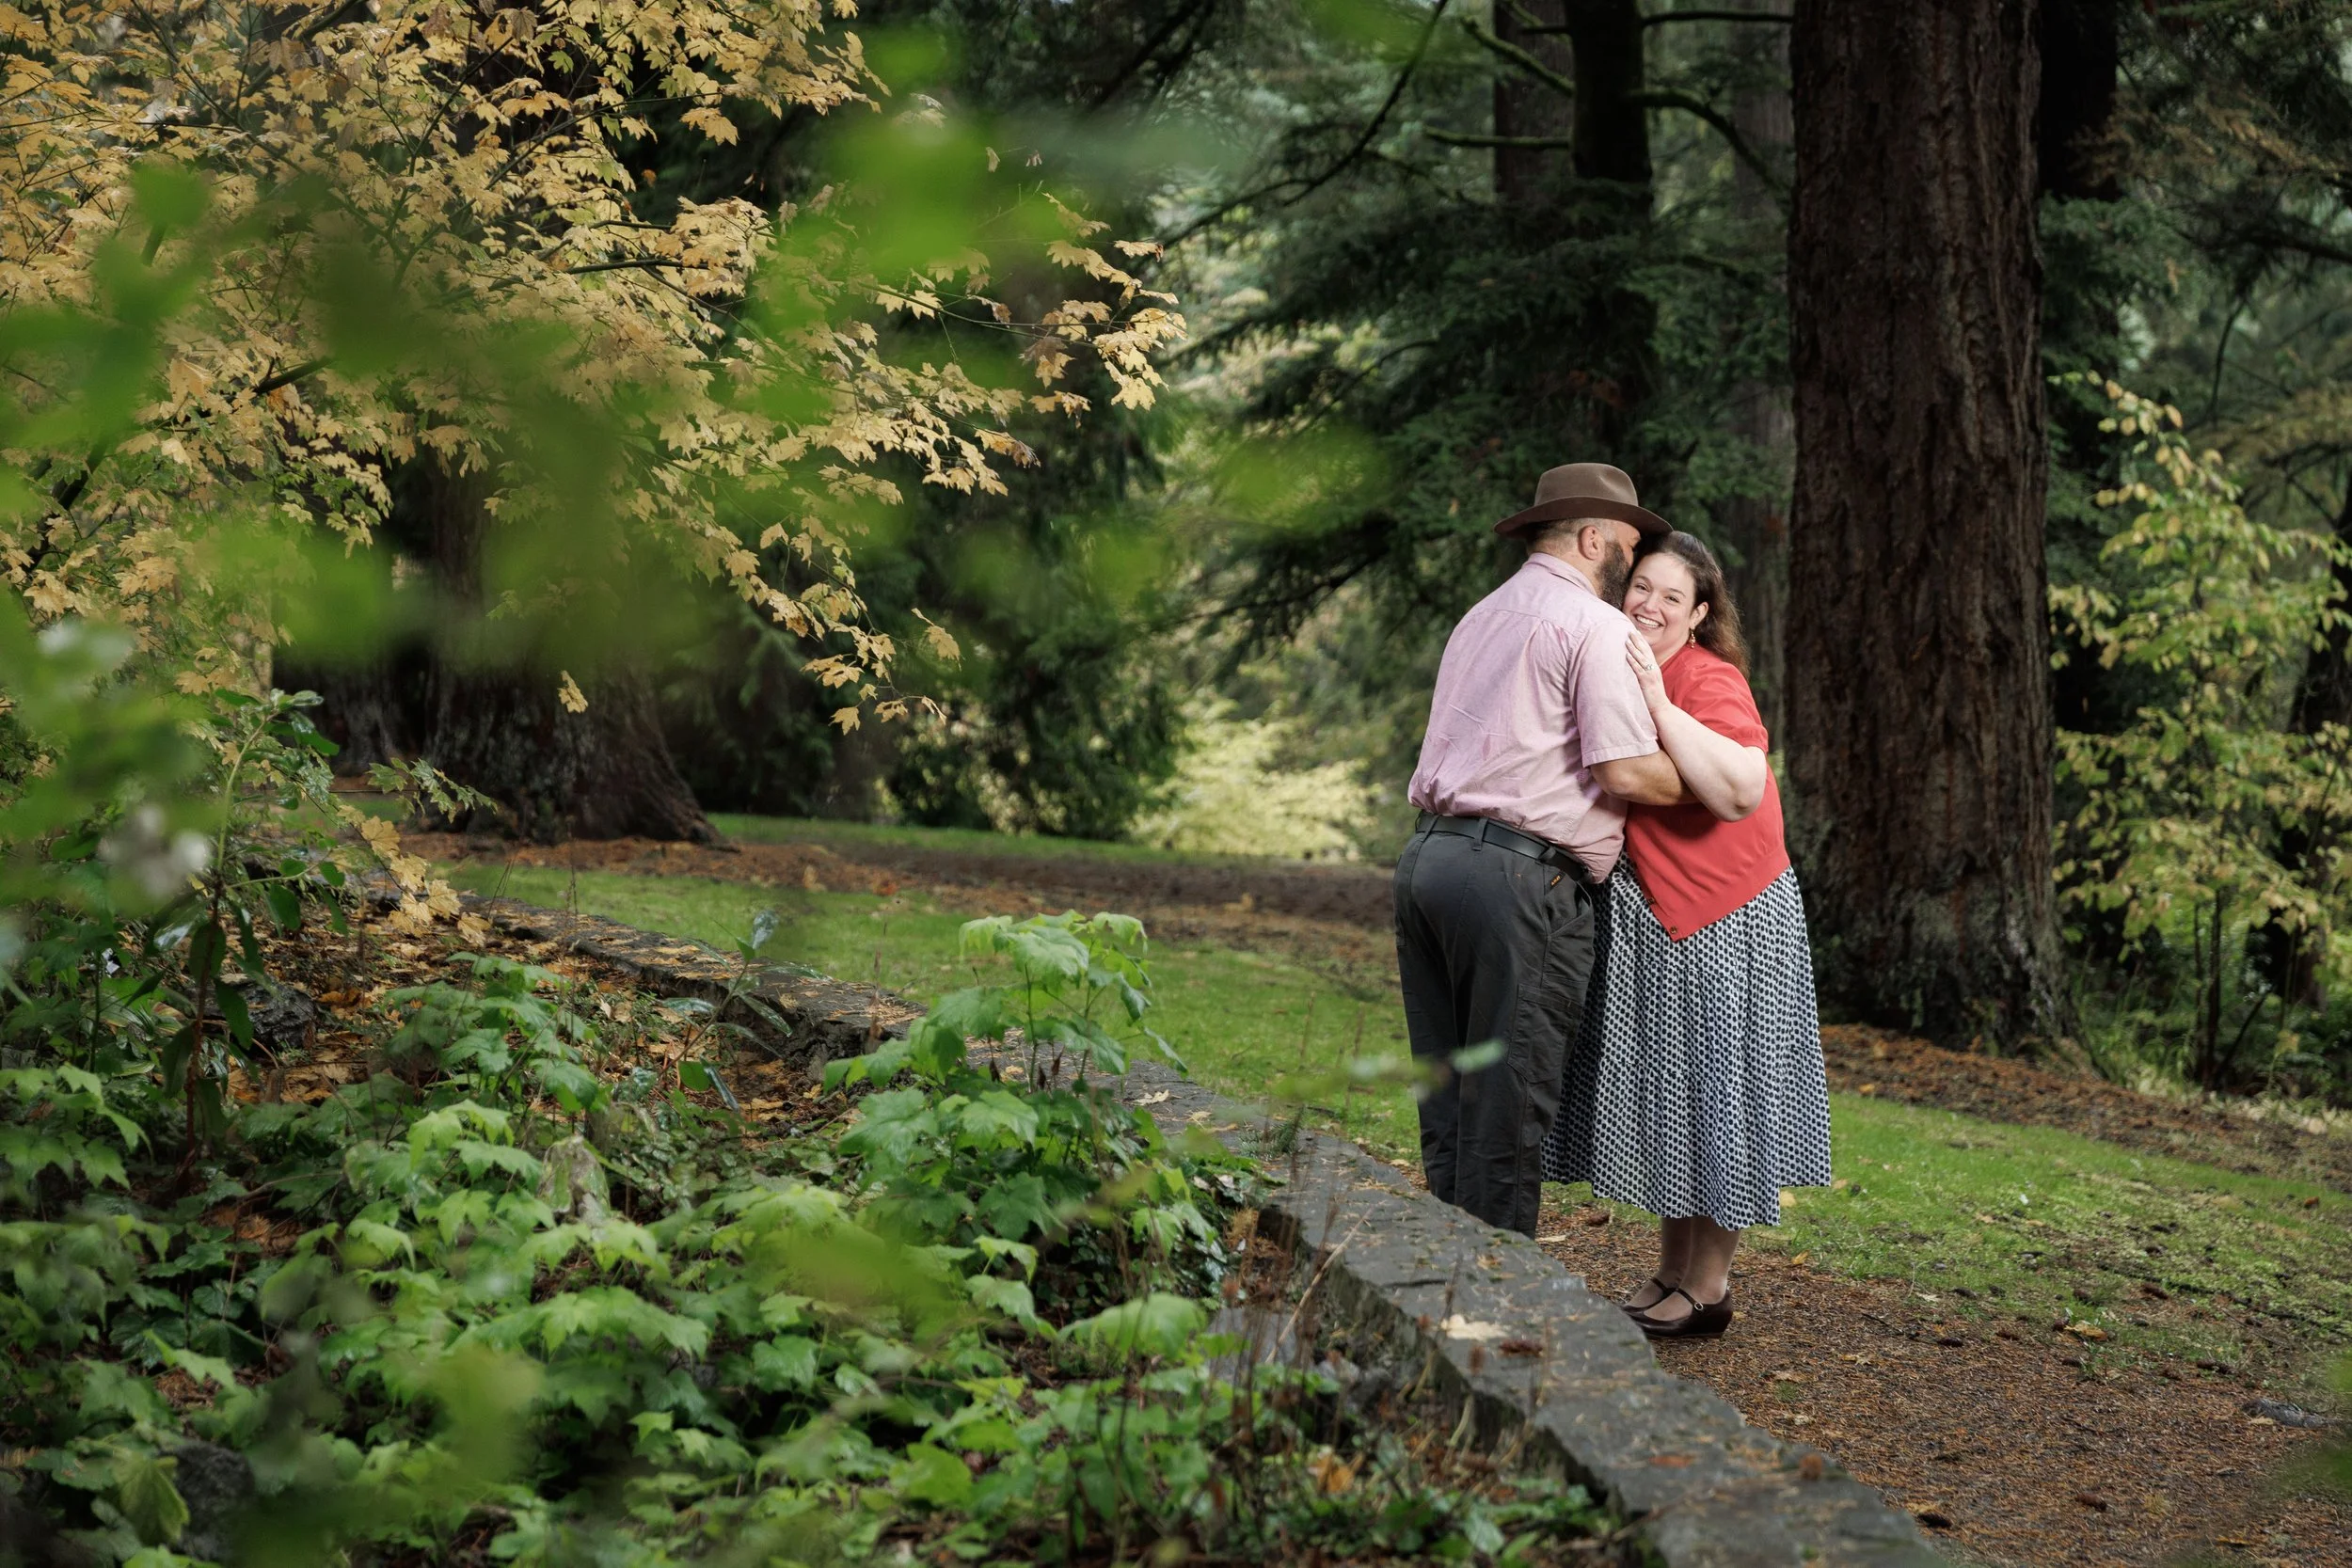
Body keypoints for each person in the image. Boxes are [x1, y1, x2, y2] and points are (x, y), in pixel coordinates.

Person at [1543, 531, 1834, 1339]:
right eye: (1642, 587)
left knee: (1723, 1093)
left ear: (1700, 615)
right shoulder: (1615, 665)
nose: (1651, 605)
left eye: (1674, 597)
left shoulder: (1710, 678)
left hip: (1733, 918)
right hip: (1665, 917)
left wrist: (1663, 708)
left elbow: (1741, 786)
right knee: (1681, 1095)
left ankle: (1709, 1286)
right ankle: (1671, 1269)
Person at [1395, 463, 1685, 1239]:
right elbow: (1624, 767)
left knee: (1450, 1092)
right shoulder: (1594, 625)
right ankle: (1490, 1312)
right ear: (1594, 538)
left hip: (1429, 861)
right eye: (1627, 543)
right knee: (1507, 1099)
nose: (1631, 562)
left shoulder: (1481, 615)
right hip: (1518, 882)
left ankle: (1441, 1282)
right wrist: (1718, 777)